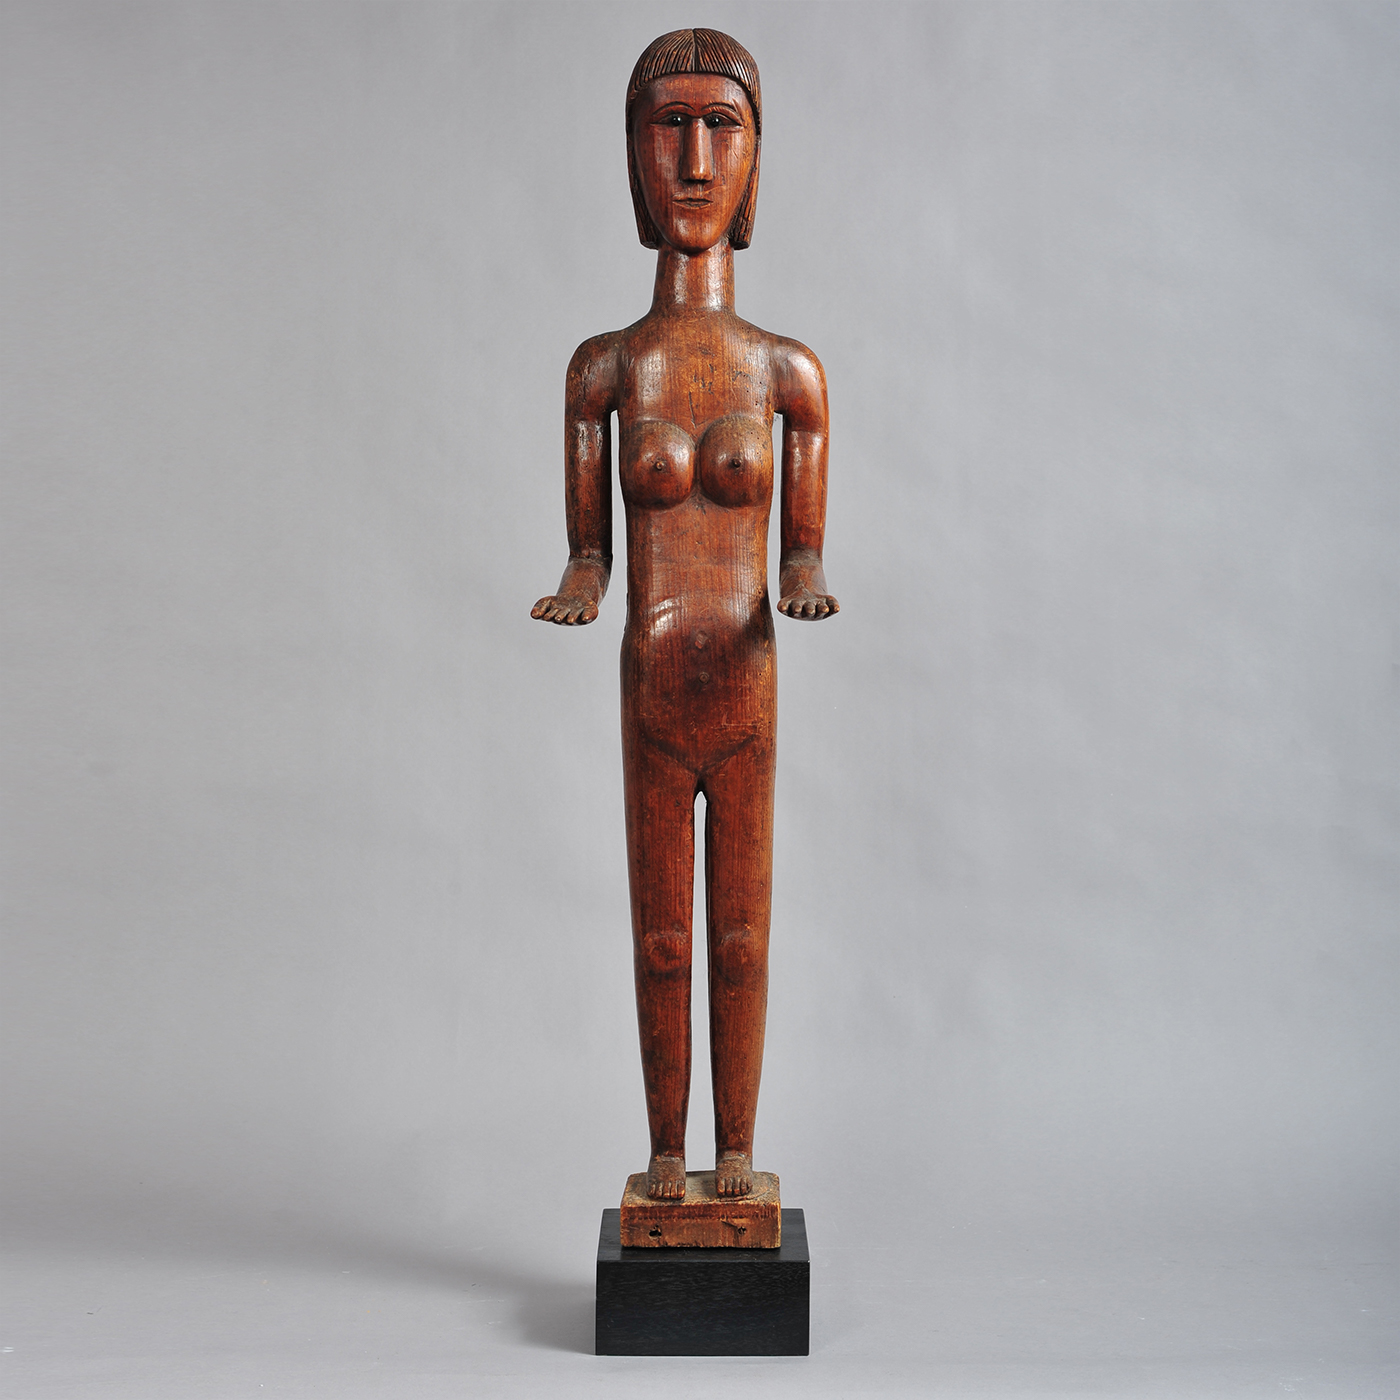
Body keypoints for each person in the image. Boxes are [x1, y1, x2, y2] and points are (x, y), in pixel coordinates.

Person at [532, 29, 837, 1200]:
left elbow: (801, 540)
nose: (696, 161)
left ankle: (735, 1153)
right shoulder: (605, 368)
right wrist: (580, 582)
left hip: (744, 691)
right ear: (631, 157)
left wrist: (802, 572)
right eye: (669, 127)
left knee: (741, 939)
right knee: (662, 937)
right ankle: (667, 1151)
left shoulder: (784, 372)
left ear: (757, 159)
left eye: (722, 127)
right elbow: (588, 548)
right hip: (651, 691)